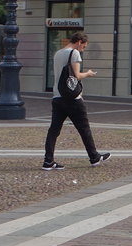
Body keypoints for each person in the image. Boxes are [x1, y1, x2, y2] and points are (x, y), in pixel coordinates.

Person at [43, 32, 111, 170]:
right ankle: (94, 157)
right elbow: (77, 76)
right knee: (84, 128)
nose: (83, 50)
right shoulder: (74, 53)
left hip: (57, 96)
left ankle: (48, 161)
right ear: (79, 42)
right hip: (72, 99)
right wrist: (88, 73)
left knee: (54, 130)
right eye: (84, 47)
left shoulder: (58, 53)